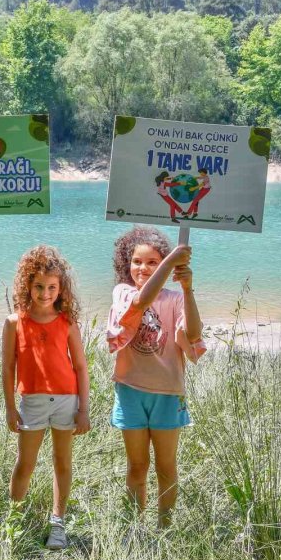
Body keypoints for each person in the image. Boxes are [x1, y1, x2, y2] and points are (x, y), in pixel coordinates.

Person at [106, 226, 205, 529]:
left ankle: (165, 528)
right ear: (127, 264)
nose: (143, 268)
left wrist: (188, 290)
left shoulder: (174, 299)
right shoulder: (124, 291)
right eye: (137, 261)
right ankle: (135, 527)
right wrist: (171, 260)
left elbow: (194, 334)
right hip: (131, 391)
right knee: (137, 466)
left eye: (152, 262)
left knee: (165, 466)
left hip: (167, 394)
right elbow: (141, 303)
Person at [2, 246, 90, 550]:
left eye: (52, 287)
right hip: (31, 402)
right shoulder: (15, 321)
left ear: (60, 289)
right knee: (25, 463)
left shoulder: (67, 322)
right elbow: (8, 366)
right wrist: (10, 408)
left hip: (66, 400)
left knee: (62, 462)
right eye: (39, 286)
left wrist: (84, 409)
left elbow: (80, 366)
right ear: (28, 285)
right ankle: (12, 520)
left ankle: (58, 523)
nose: (44, 293)